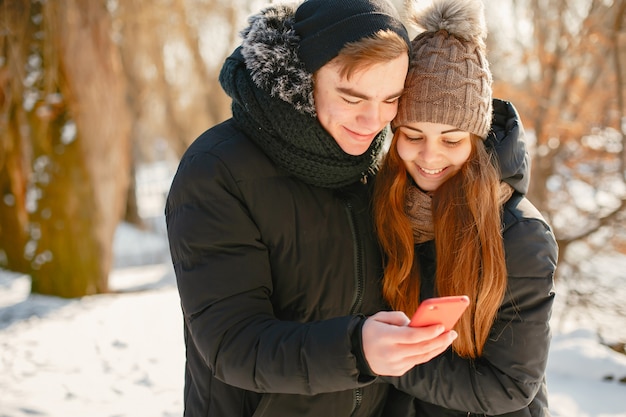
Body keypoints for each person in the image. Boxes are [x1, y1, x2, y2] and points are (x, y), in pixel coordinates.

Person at [165, 1, 459, 416]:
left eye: (390, 98)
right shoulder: (217, 170)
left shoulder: (386, 167)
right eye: (351, 96)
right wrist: (356, 351)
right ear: (302, 80)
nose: (372, 120)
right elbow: (231, 344)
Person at [372, 0, 558, 416]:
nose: (429, 156)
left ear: (476, 141)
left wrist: (383, 362)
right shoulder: (383, 206)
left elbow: (510, 386)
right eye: (412, 135)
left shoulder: (520, 235)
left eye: (452, 140)